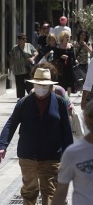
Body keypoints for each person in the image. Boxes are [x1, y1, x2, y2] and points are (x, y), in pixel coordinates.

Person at [0, 68, 73, 205]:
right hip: (28, 156)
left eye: (45, 85)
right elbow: (11, 123)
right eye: (39, 85)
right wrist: (2, 145)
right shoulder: (24, 102)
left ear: (51, 86)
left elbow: (67, 131)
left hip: (51, 156)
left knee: (50, 191)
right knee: (29, 191)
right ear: (33, 85)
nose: (41, 88)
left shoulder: (60, 103)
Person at [9, 33, 38, 99]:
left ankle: (31, 97)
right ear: (18, 40)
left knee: (29, 85)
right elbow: (12, 57)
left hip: (27, 69)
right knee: (20, 86)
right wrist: (11, 66)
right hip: (18, 70)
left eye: (25, 38)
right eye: (22, 39)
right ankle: (21, 99)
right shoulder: (15, 48)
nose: (24, 40)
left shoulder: (29, 46)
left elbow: (36, 52)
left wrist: (33, 58)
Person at [54, 31, 76, 96]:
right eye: (66, 36)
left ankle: (68, 97)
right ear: (62, 37)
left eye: (68, 37)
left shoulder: (70, 46)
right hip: (61, 67)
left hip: (69, 66)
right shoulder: (58, 47)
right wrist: (61, 56)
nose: (67, 38)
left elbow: (73, 56)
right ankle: (62, 96)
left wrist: (74, 62)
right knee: (61, 82)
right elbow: (55, 57)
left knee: (69, 82)